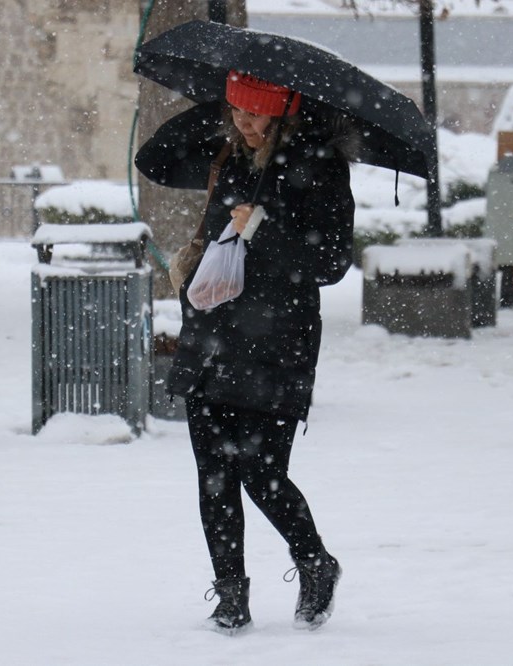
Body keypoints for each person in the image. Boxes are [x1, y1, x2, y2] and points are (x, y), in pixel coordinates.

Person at [167, 70, 357, 635]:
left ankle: (315, 562)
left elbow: (330, 263)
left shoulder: (320, 166)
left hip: (278, 341)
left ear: (282, 114)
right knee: (213, 475)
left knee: (259, 470)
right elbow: (211, 237)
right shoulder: (228, 160)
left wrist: (265, 230)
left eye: (254, 115)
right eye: (237, 113)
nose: (243, 124)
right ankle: (231, 595)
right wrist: (191, 263)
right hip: (213, 336)